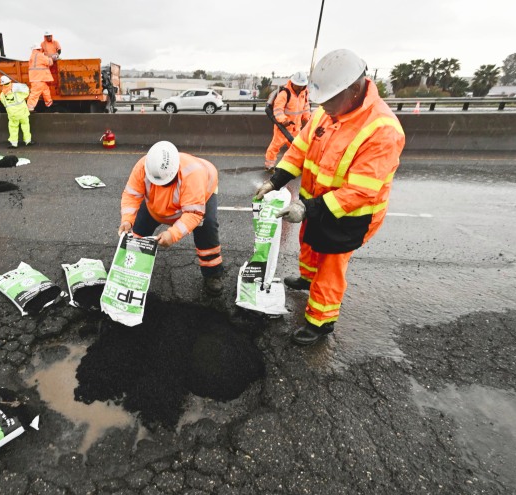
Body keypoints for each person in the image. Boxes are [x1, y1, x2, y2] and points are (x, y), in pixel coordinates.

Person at [254, 49, 405, 345]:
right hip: (315, 206)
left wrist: (309, 208)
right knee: (309, 245)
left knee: (330, 266)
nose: (323, 108)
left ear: (353, 89)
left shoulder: (382, 130)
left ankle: (320, 322)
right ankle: (307, 279)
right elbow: (300, 149)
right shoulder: (328, 110)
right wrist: (276, 181)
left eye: (329, 101)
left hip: (352, 215)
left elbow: (361, 191)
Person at [119, 141, 225, 296]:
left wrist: (172, 234)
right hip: (156, 206)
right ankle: (132, 269)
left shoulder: (192, 175)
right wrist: (127, 220)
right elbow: (132, 195)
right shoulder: (143, 166)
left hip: (200, 196)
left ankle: (212, 274)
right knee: (138, 230)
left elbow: (193, 214)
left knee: (206, 227)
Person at [264, 71, 310, 171]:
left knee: (297, 147)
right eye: (298, 85)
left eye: (302, 86)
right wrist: (283, 120)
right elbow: (278, 109)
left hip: (296, 127)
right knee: (275, 146)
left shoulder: (304, 93)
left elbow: (306, 108)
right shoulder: (285, 93)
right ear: (293, 83)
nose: (300, 88)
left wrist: (308, 119)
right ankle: (269, 165)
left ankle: (295, 165)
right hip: (283, 127)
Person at [0, 75, 35, 148]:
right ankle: (28, 141)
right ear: (10, 82)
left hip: (13, 115)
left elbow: (4, 103)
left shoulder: (2, 95)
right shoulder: (18, 92)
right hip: (23, 113)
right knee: (25, 126)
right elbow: (26, 93)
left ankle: (14, 143)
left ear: (2, 84)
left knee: (13, 128)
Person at [27, 45, 54, 112]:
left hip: (37, 79)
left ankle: (48, 103)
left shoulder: (32, 56)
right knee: (35, 94)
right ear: (39, 49)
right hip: (38, 78)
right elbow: (49, 62)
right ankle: (30, 108)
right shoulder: (39, 55)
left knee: (46, 89)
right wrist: (51, 58)